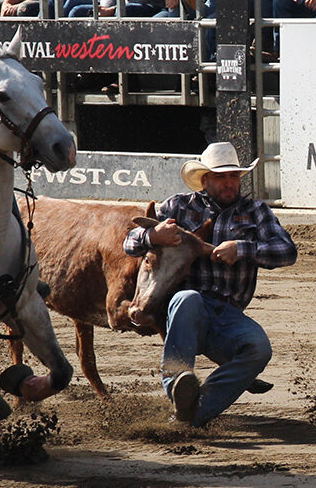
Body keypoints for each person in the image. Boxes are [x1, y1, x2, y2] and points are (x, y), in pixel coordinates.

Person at [123, 142, 297, 427]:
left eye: (233, 177)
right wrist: (153, 236)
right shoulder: (177, 207)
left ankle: (191, 413)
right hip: (183, 310)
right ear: (204, 180)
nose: (229, 183)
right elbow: (129, 243)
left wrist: (242, 249)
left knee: (258, 347)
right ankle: (177, 382)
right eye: (220, 177)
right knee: (188, 298)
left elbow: (287, 251)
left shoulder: (256, 212)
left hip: (228, 315)